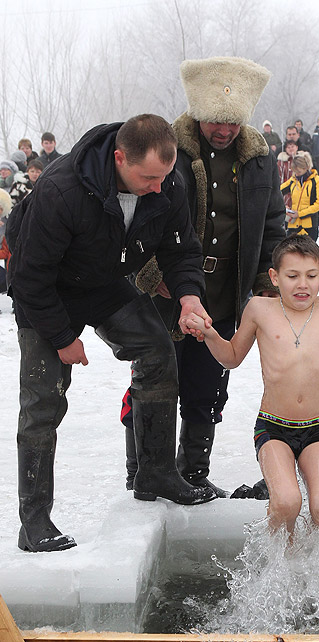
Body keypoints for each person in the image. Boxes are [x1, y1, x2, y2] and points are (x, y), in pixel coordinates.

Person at [7, 113, 216, 553]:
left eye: (164, 176)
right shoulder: (61, 189)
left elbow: (181, 251)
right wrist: (62, 338)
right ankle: (35, 521)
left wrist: (189, 297)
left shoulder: (167, 181)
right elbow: (26, 277)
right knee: (43, 402)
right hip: (48, 293)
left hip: (104, 282)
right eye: (148, 177)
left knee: (158, 355)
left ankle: (155, 472)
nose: (159, 186)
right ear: (119, 158)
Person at [126, 57, 286, 498]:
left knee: (208, 383)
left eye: (233, 123)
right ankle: (143, 472)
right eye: (217, 120)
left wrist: (267, 284)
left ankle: (193, 472)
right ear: (199, 112)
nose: (224, 130)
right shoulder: (169, 149)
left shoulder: (258, 160)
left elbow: (272, 225)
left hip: (224, 291)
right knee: (154, 376)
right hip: (166, 289)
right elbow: (136, 216)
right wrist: (151, 274)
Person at [185, 233, 319, 536]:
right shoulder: (260, 309)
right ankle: (277, 566)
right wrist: (210, 335)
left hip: (317, 427)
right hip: (273, 427)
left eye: (311, 276)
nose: (302, 284)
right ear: (275, 277)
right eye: (292, 276)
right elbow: (232, 358)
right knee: (287, 502)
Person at [280, 152, 319, 241]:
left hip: (310, 226)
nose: (296, 174)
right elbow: (278, 192)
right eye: (294, 171)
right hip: (293, 225)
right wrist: (283, 207)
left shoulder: (317, 181)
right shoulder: (292, 181)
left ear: (306, 168)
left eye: (299, 171)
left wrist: (300, 214)